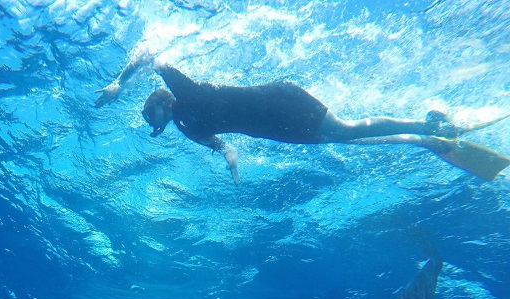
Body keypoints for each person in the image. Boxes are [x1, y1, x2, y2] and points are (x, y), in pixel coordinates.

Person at [95, 52, 510, 183]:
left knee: (344, 130)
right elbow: (224, 145)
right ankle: (426, 142)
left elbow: (150, 54)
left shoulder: (181, 91)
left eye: (150, 113)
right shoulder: (187, 128)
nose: (151, 123)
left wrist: (118, 82)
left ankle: (428, 124)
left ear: (158, 102)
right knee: (341, 140)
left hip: (279, 102)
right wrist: (231, 159)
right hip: (275, 129)